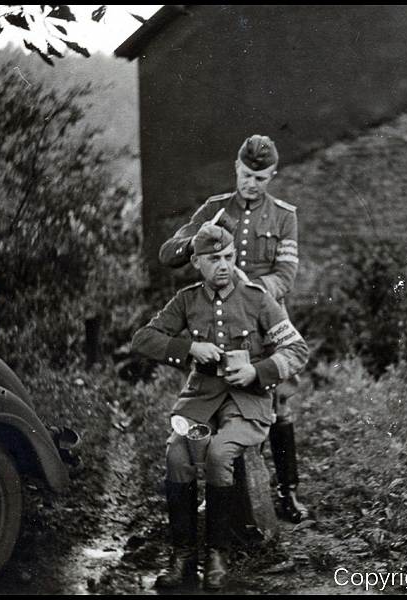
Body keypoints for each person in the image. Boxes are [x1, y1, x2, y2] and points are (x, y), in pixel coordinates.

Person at [132, 224, 310, 590]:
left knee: (218, 454)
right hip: (201, 401)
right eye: (214, 259)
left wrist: (257, 371)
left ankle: (217, 553)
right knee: (176, 456)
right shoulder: (187, 300)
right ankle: (183, 557)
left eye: (229, 257)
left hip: (248, 404)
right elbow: (143, 338)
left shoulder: (258, 298)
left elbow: (297, 350)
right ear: (197, 262)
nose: (224, 265)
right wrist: (188, 349)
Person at [158, 134, 310, 523]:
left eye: (260, 178)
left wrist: (255, 296)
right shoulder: (214, 208)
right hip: (216, 320)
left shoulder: (283, 215)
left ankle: (288, 492)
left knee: (277, 402)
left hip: (263, 318)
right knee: (215, 398)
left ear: (271, 176)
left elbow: (286, 274)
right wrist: (198, 237)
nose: (250, 185)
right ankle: (220, 490)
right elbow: (168, 254)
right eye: (245, 175)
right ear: (236, 169)